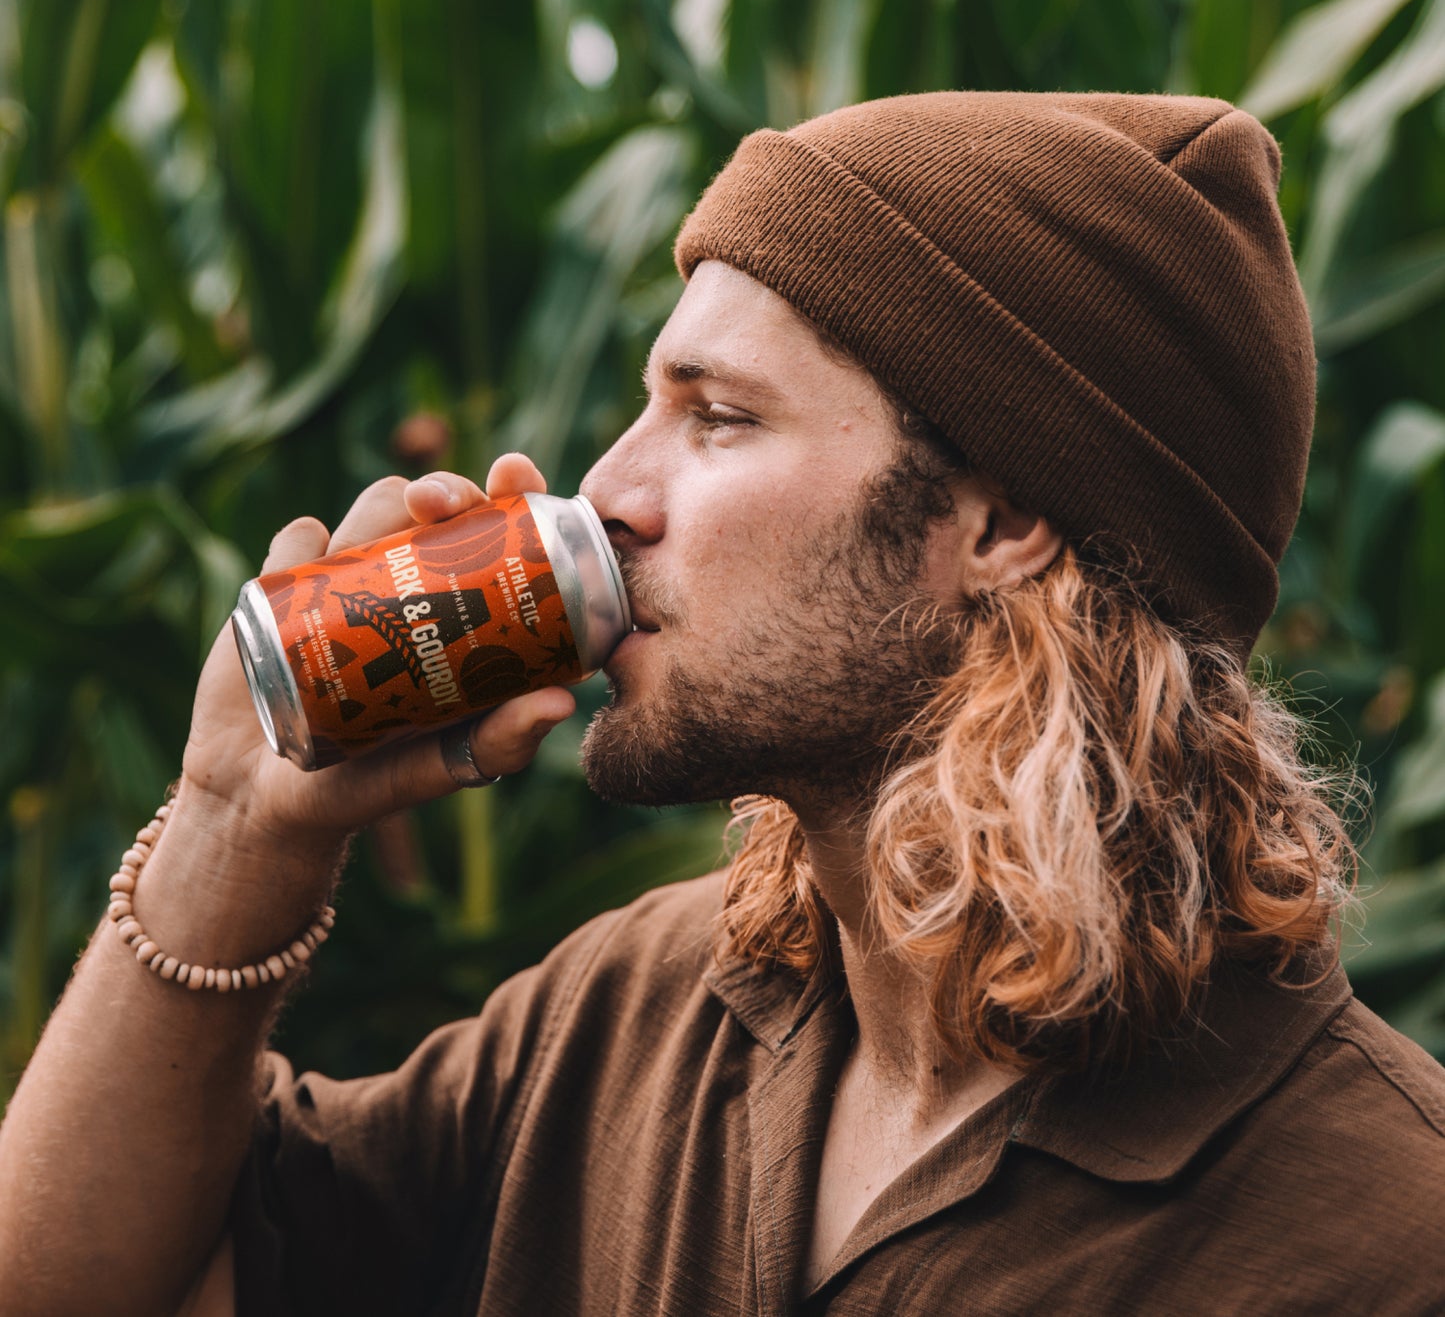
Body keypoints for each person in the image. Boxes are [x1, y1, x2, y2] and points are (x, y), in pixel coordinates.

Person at [2, 91, 1443, 1317]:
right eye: (645, 402)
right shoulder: (634, 1010)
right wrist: (235, 823)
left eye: (717, 414)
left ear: (1003, 524)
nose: (607, 490)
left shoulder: (1373, 1233)